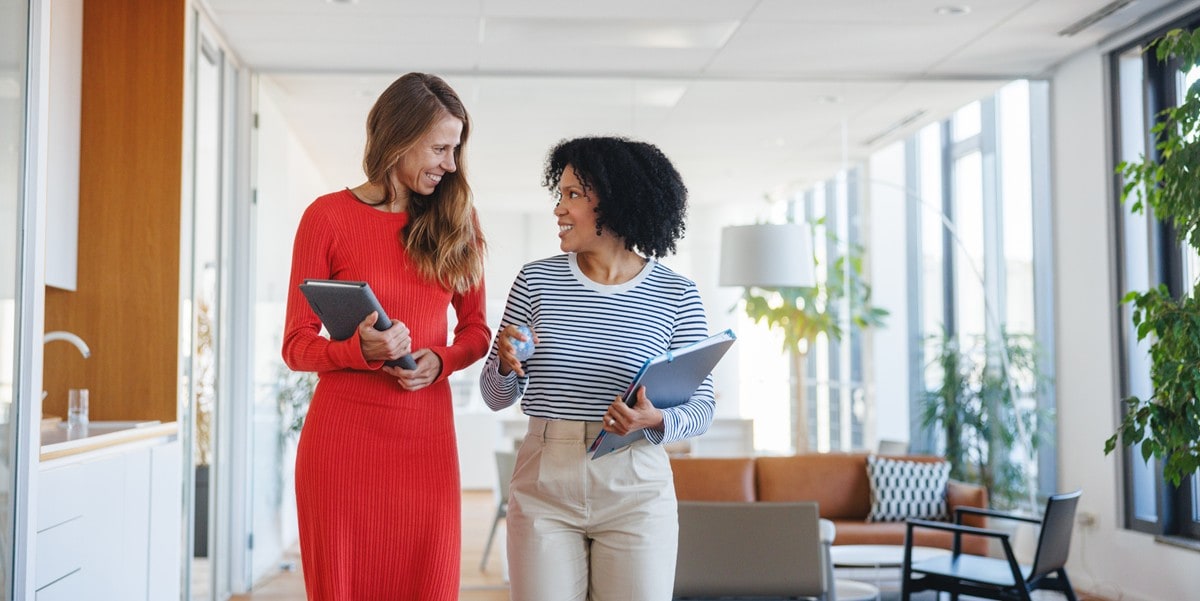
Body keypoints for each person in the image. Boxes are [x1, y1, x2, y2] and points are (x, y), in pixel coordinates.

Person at [281, 72, 490, 601]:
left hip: (426, 445)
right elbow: (296, 344)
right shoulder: (325, 218)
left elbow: (476, 330)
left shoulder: (459, 220)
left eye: (455, 150)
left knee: (430, 585)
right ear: (398, 138)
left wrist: (440, 361)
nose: (449, 163)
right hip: (342, 447)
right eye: (439, 147)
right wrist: (359, 350)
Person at [479, 136, 715, 601]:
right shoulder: (535, 281)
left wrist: (657, 420)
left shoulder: (677, 295)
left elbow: (702, 406)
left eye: (573, 196)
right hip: (546, 475)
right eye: (559, 194)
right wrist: (506, 365)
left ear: (616, 203)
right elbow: (494, 395)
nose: (558, 209)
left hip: (636, 485)